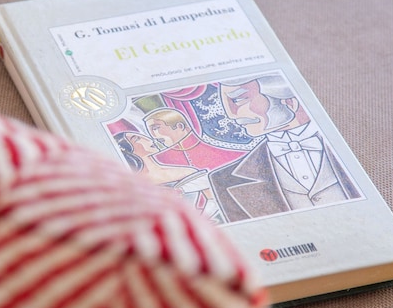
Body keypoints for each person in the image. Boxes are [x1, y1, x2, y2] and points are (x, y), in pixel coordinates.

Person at [208, 74, 361, 222]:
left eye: (239, 100)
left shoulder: (357, 141)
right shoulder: (224, 180)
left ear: (289, 101)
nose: (231, 115)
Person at [143, 108, 244, 170]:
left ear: (180, 126)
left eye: (155, 128)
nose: (153, 136)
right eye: (149, 131)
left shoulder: (225, 153)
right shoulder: (156, 160)